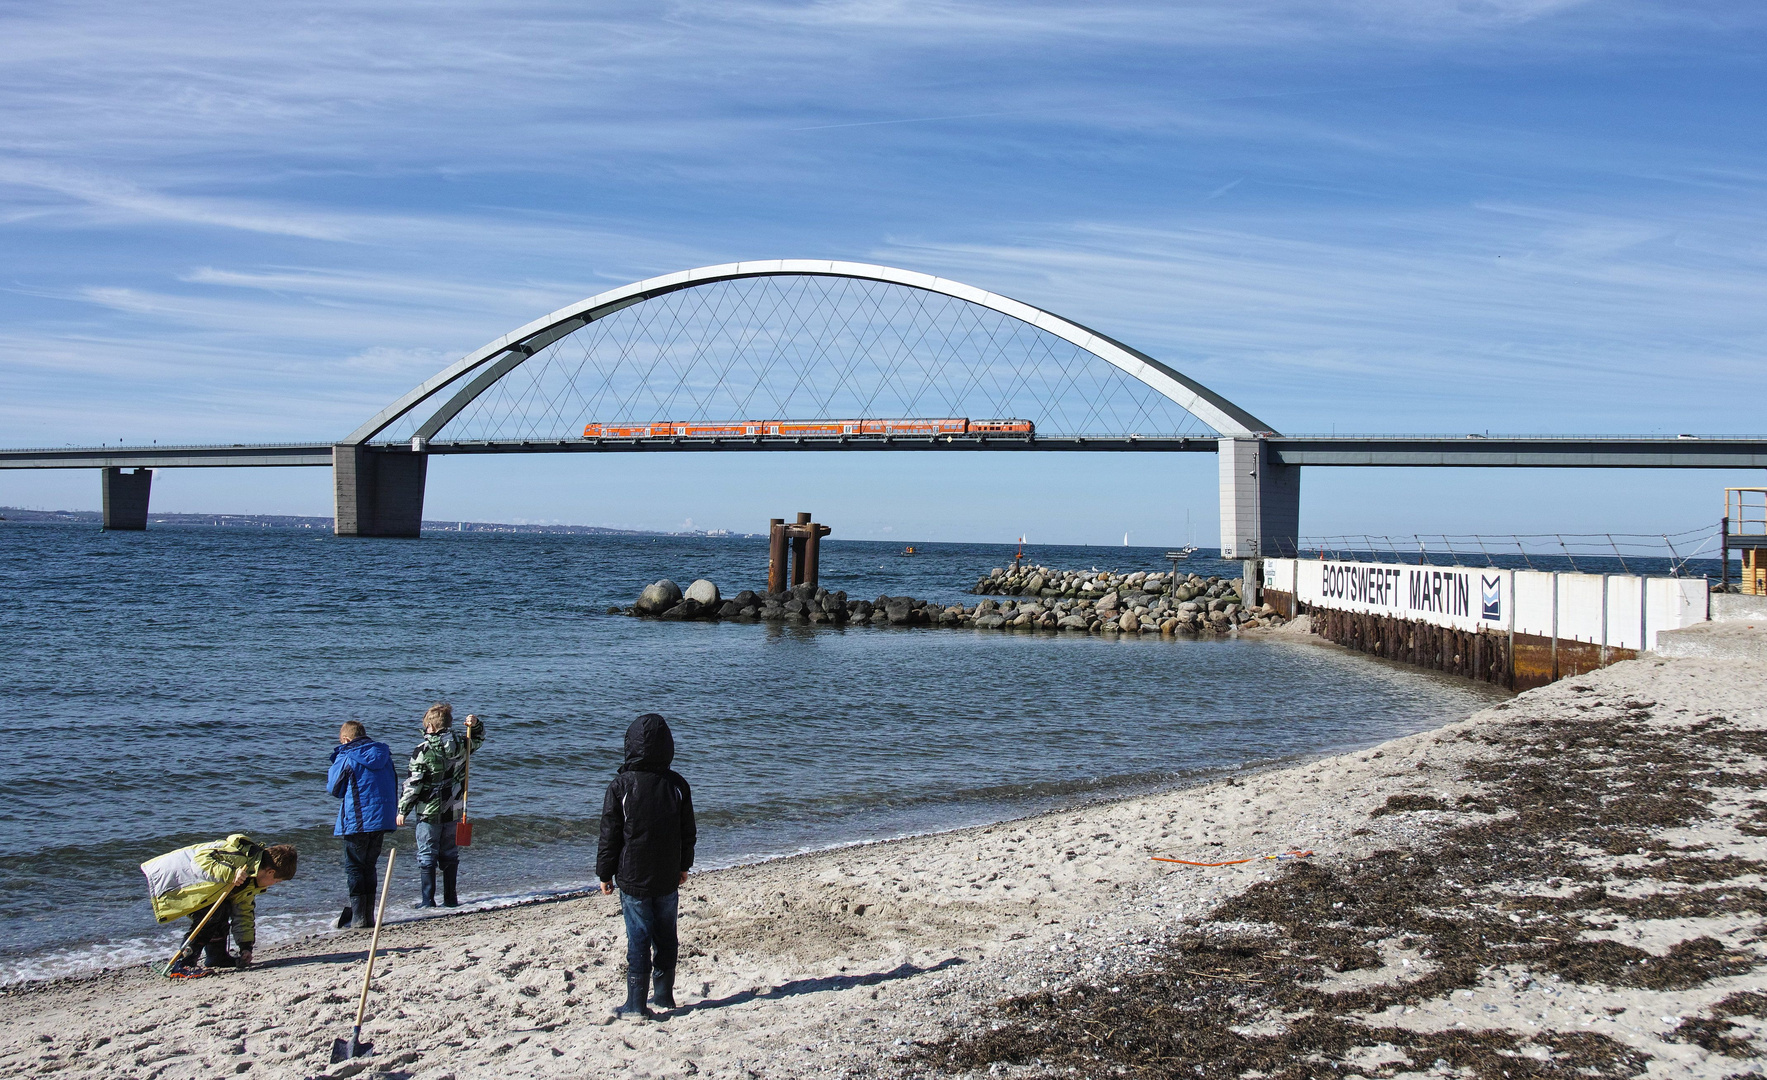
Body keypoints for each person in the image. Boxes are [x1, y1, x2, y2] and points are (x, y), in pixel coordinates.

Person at [596, 713, 696, 1020]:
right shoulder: (676, 784)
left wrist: (604, 872)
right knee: (666, 936)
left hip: (635, 876)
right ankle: (664, 997)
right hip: (666, 874)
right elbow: (687, 832)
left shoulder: (622, 785)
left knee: (639, 938)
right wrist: (683, 865)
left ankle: (637, 1005)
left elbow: (609, 834)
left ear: (630, 746)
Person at [140, 833, 297, 971]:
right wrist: (231, 874)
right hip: (171, 879)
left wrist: (246, 946)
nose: (273, 885)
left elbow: (243, 912)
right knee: (215, 913)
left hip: (200, 888)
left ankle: (217, 957)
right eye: (276, 881)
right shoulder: (241, 856)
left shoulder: (252, 880)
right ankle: (183, 962)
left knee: (224, 909)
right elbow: (200, 861)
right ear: (270, 872)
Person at [396, 703, 485, 908]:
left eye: (426, 726)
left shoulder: (423, 750)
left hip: (428, 812)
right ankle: (450, 899)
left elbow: (413, 784)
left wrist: (402, 810)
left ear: (432, 728)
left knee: (427, 854)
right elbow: (479, 739)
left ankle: (428, 901)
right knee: (450, 853)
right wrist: (477, 724)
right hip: (454, 808)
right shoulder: (463, 743)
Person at [328, 720, 398, 928]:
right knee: (369, 866)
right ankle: (367, 916)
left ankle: (359, 918)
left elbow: (334, 788)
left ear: (347, 739)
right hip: (381, 818)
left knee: (355, 868)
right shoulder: (384, 756)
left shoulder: (347, 756)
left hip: (357, 820)